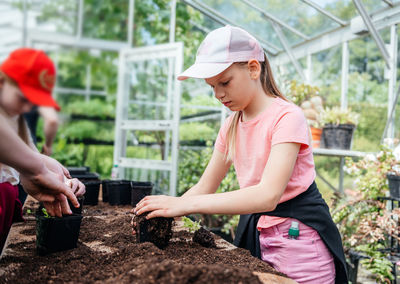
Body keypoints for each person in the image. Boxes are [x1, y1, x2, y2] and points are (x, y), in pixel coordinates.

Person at [134, 26, 347, 283]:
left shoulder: (287, 117)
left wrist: (183, 204)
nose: (218, 94)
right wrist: (164, 212)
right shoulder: (231, 125)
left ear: (253, 69)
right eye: (211, 86)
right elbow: (206, 185)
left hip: (298, 241)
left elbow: (268, 195)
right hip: (259, 234)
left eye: (225, 82)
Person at [0, 48, 85, 251]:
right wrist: (37, 170)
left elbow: (29, 154)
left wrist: (62, 178)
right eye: (23, 98)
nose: (28, 108)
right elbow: (31, 163)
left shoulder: (15, 119)